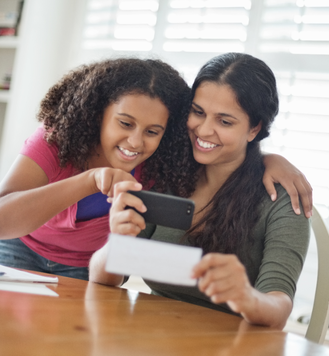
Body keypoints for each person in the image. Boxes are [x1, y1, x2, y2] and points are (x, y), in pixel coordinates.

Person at [89, 52, 310, 329]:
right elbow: (104, 278)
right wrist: (117, 243)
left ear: (254, 128)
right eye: (198, 112)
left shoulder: (282, 200)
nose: (204, 130)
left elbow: (278, 308)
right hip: (147, 334)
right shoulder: (169, 174)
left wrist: (247, 297)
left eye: (225, 121)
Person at [0, 57, 194, 279]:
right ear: (98, 114)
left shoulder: (160, 165)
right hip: (20, 247)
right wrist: (90, 180)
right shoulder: (58, 137)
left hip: (88, 264)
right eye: (125, 123)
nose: (135, 142)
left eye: (152, 132)